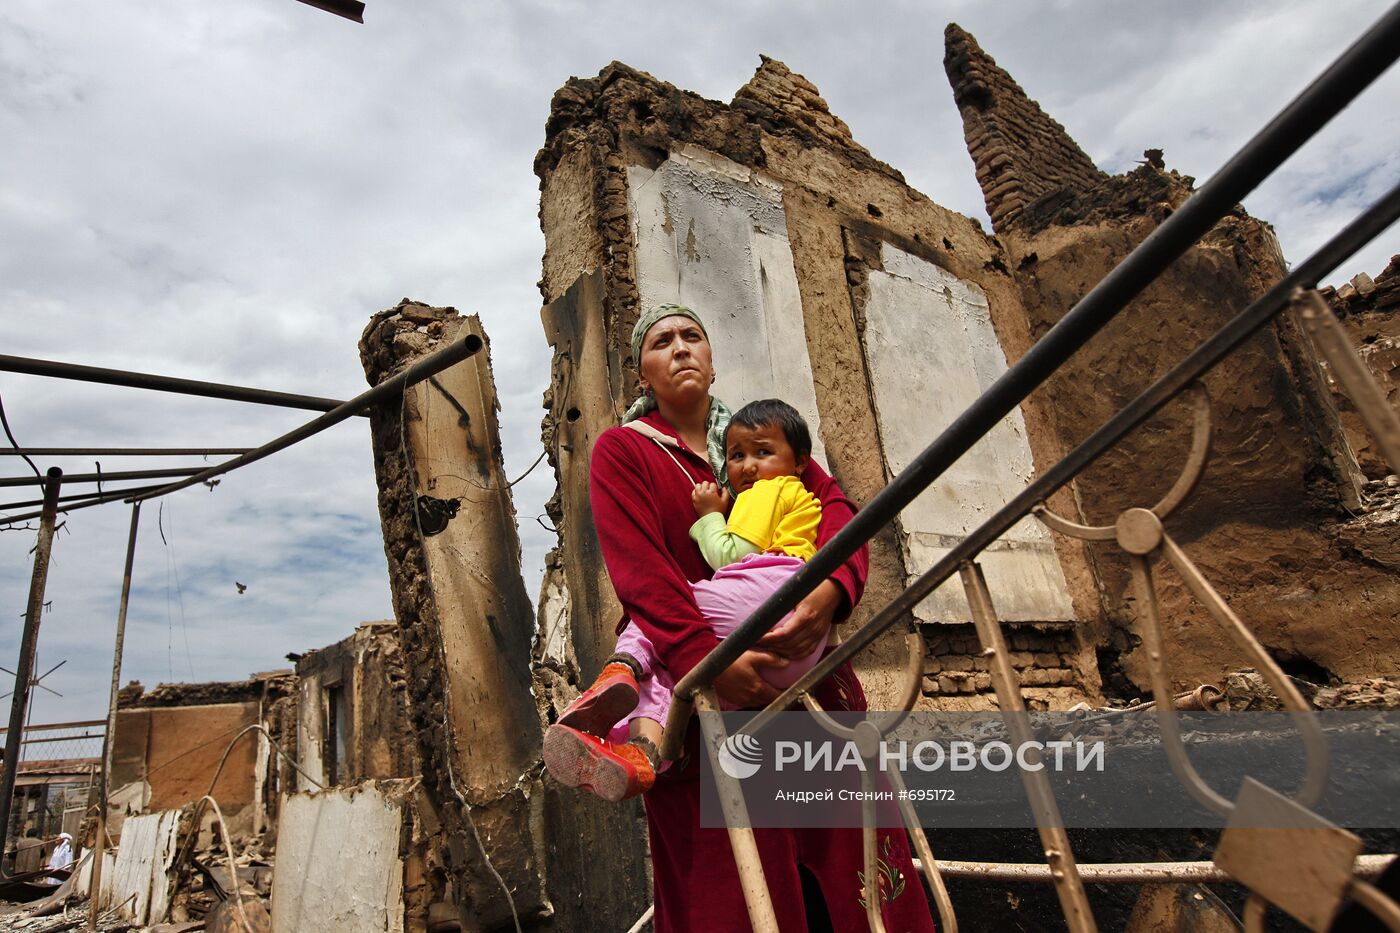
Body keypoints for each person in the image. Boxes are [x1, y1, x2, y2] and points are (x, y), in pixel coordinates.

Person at [556, 303, 936, 932]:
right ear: (641, 374)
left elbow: (838, 512)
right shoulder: (623, 451)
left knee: (861, 882)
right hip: (705, 705)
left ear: (711, 358)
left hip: (812, 697)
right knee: (735, 898)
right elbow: (641, 573)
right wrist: (711, 660)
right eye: (661, 342)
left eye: (692, 336)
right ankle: (634, 721)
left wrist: (830, 592)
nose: (680, 348)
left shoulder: (763, 434)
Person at [544, 397, 831, 800]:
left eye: (761, 453)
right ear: (643, 373)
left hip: (770, 590)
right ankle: (643, 753)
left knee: (663, 613)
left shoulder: (766, 489)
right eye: (738, 456)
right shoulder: (787, 481)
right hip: (789, 654)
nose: (748, 466)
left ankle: (621, 667)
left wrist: (710, 515)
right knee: (676, 678)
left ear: (799, 460)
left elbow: (731, 554)